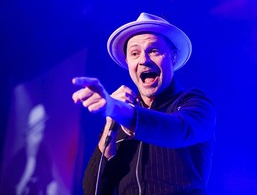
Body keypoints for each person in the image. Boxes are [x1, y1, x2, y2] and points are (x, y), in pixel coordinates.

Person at [72, 12, 216, 195]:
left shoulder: (195, 103)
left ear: (172, 57)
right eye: (134, 53)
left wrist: (118, 110)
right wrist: (111, 122)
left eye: (154, 50)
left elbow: (179, 130)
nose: (143, 60)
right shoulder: (120, 115)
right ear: (127, 62)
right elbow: (94, 190)